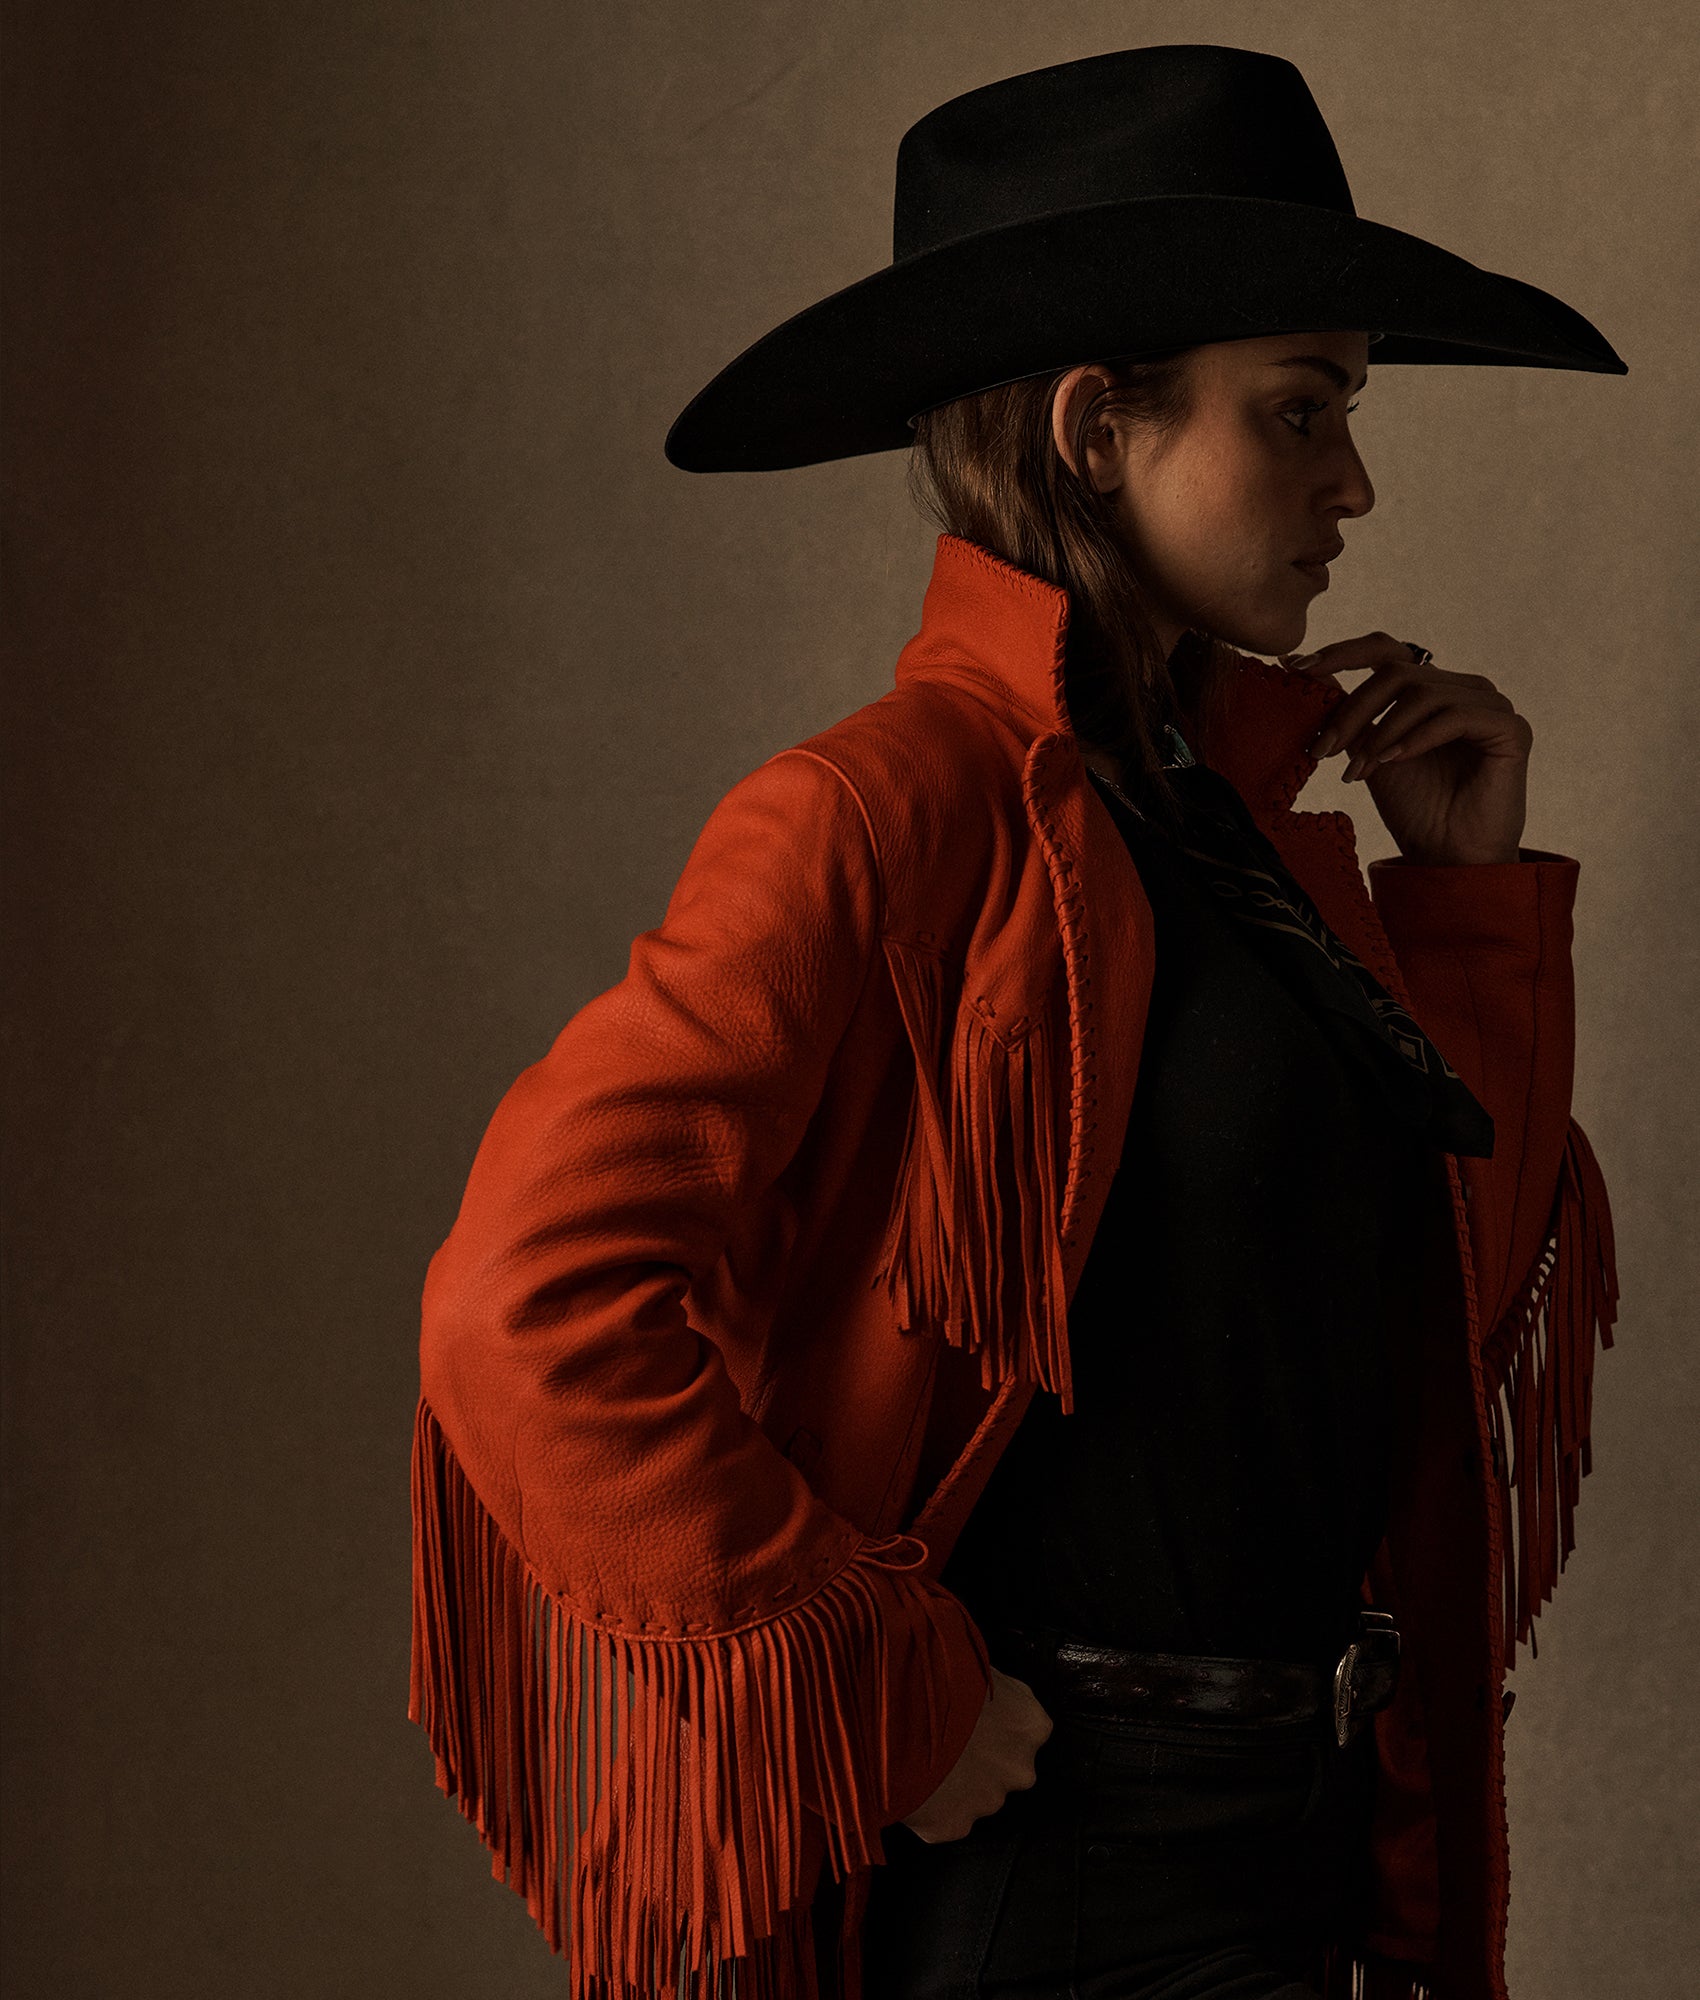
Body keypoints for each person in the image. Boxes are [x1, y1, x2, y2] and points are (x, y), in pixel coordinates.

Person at [408, 44, 1623, 2000]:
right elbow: (520, 1305)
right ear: (1090, 426)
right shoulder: (877, 817)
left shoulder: (1243, 848)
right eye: (1298, 409)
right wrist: (876, 1684)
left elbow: (1416, 1338)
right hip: (1056, 1895)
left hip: (1302, 1865)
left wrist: (1467, 912)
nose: (1354, 482)